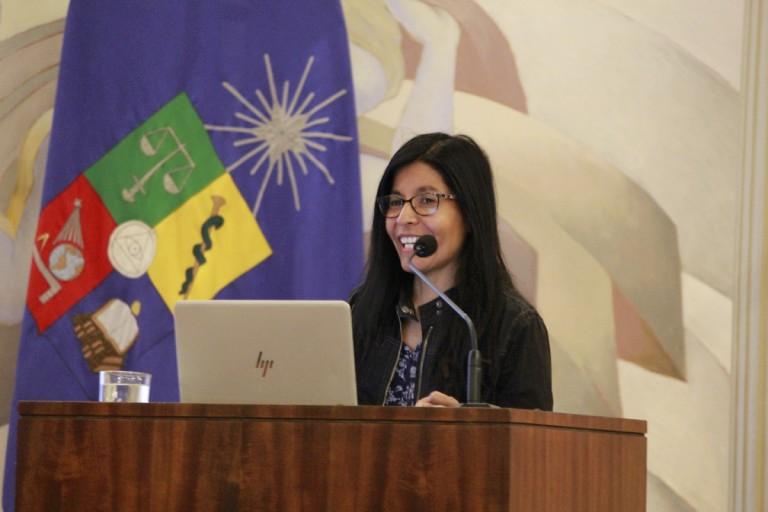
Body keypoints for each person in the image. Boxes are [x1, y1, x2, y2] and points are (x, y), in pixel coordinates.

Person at [350, 133, 553, 409]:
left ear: (469, 213)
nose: (404, 218)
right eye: (396, 202)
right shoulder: (358, 314)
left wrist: (467, 430)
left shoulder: (514, 326)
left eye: (426, 200)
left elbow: (533, 445)